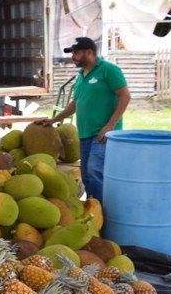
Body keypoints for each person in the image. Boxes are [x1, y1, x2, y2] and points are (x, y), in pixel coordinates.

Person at [38, 36, 131, 203]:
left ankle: (103, 212)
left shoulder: (109, 70)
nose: (73, 56)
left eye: (76, 53)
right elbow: (75, 104)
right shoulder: (81, 75)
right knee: (86, 175)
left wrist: (110, 125)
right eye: (72, 53)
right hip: (85, 134)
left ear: (89, 53)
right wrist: (53, 121)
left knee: (95, 171)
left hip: (103, 133)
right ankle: (93, 209)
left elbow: (125, 96)